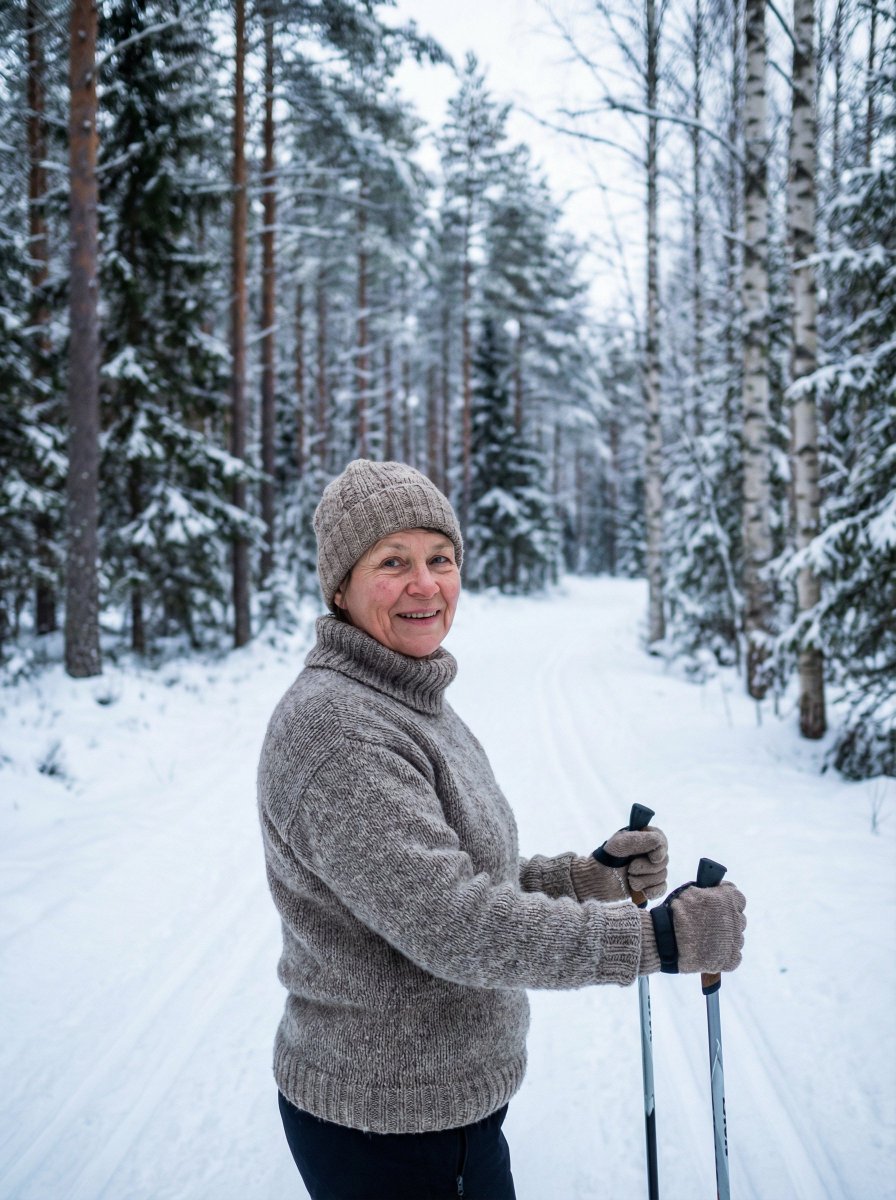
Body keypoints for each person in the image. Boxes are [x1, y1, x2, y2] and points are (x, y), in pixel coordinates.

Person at [257, 459, 746, 1200]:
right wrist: (658, 942)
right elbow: (453, 924)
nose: (426, 584)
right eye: (393, 562)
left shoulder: (405, 696)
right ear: (339, 586)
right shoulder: (340, 732)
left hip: (445, 1114)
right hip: (388, 1129)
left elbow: (455, 875)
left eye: (440, 559)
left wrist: (588, 878)